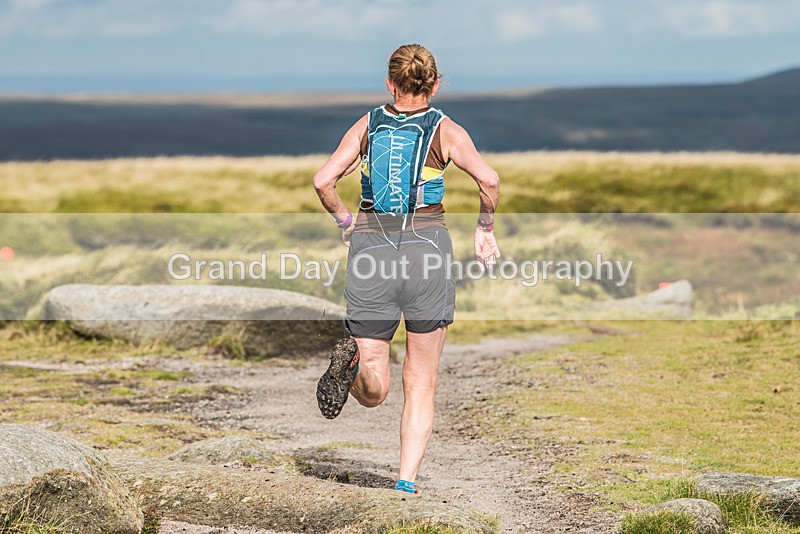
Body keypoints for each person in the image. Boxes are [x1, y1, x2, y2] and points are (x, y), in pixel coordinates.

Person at [312, 43, 500, 495]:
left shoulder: (367, 124)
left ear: (390, 84)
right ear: (434, 85)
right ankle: (406, 482)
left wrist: (344, 221)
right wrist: (485, 228)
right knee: (420, 381)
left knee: (375, 389)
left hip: (370, 247)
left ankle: (354, 367)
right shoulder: (446, 130)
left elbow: (323, 181)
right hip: (426, 252)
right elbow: (489, 179)